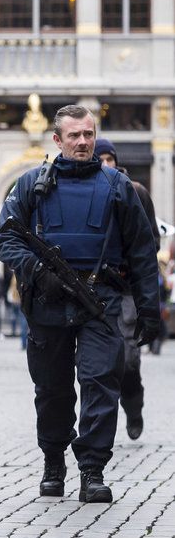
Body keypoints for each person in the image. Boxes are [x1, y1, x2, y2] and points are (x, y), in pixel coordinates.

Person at [0, 105, 160, 503]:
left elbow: (141, 250)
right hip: (48, 303)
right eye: (75, 136)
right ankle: (54, 460)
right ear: (58, 140)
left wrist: (149, 308)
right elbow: (6, 238)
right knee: (51, 389)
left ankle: (92, 470)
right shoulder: (31, 184)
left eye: (89, 134)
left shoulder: (118, 186)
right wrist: (36, 270)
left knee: (100, 382)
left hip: (100, 302)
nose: (83, 142)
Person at [94, 138, 160, 440]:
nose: (106, 164)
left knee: (129, 358)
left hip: (127, 287)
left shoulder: (136, 191)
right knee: (97, 361)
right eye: (100, 159)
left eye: (110, 158)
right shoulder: (87, 192)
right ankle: (98, 423)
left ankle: (133, 405)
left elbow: (150, 243)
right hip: (94, 288)